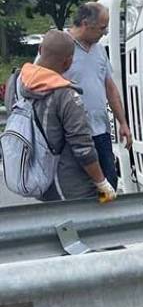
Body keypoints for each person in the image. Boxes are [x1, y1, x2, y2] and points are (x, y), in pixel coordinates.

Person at [13, 30, 117, 201]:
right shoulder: (66, 95)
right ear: (68, 62)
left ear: (40, 50)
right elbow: (83, 148)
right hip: (71, 186)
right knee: (94, 219)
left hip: (39, 177)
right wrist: (102, 183)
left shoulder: (18, 82)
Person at [66, 2, 132, 189]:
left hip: (101, 131)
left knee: (108, 183)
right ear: (86, 23)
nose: (105, 32)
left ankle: (108, 217)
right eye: (102, 27)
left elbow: (110, 88)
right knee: (83, 187)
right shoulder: (61, 45)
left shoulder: (99, 49)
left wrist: (123, 122)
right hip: (74, 133)